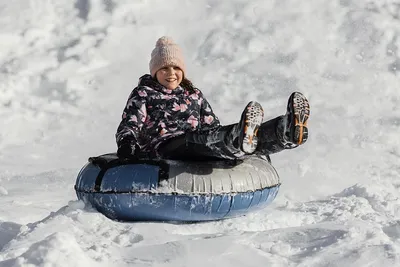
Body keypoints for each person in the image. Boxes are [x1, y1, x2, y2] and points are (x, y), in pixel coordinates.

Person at [116, 36, 310, 162]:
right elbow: (129, 125)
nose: (171, 73)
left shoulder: (194, 94)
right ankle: (238, 140)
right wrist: (127, 143)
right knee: (203, 140)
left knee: (215, 137)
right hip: (165, 147)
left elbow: (211, 125)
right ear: (155, 71)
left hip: (197, 143)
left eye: (176, 68)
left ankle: (283, 132)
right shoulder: (144, 93)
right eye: (164, 69)